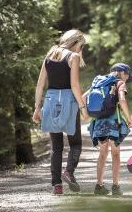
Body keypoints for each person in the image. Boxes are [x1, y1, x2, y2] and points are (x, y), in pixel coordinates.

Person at [32, 29, 89, 195]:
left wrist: (37, 107)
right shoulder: (74, 57)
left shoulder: (49, 55)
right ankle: (69, 172)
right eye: (81, 45)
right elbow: (74, 85)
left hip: (50, 102)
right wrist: (83, 107)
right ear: (76, 42)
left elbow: (40, 84)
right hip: (68, 102)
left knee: (56, 146)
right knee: (76, 143)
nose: (81, 49)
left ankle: (56, 185)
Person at [85, 63, 132, 196]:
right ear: (123, 73)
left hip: (99, 122)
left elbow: (84, 97)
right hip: (113, 122)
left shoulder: (98, 81)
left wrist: (84, 114)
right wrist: (129, 119)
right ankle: (116, 186)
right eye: (127, 76)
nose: (126, 79)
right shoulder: (119, 83)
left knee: (103, 153)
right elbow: (123, 100)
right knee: (115, 153)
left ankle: (99, 185)